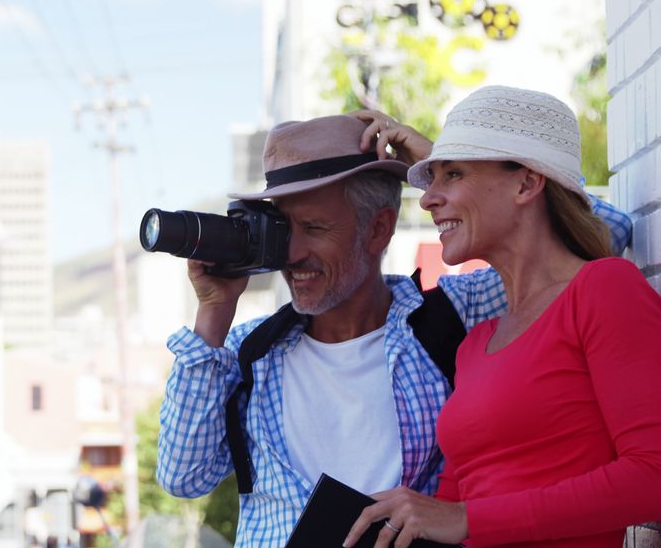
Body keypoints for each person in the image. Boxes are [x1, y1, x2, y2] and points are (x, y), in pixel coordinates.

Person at [155, 111, 633, 546]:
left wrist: (437, 164)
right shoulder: (247, 350)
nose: (292, 252)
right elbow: (183, 476)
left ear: (379, 228)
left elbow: (601, 234)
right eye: (283, 229)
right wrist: (214, 314)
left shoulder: (460, 314)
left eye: (315, 228)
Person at [343, 86, 661, 548]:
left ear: (527, 184)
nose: (428, 199)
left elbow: (653, 477)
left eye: (452, 174)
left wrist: (468, 518)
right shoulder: (477, 342)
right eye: (433, 178)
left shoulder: (604, 290)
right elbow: (454, 509)